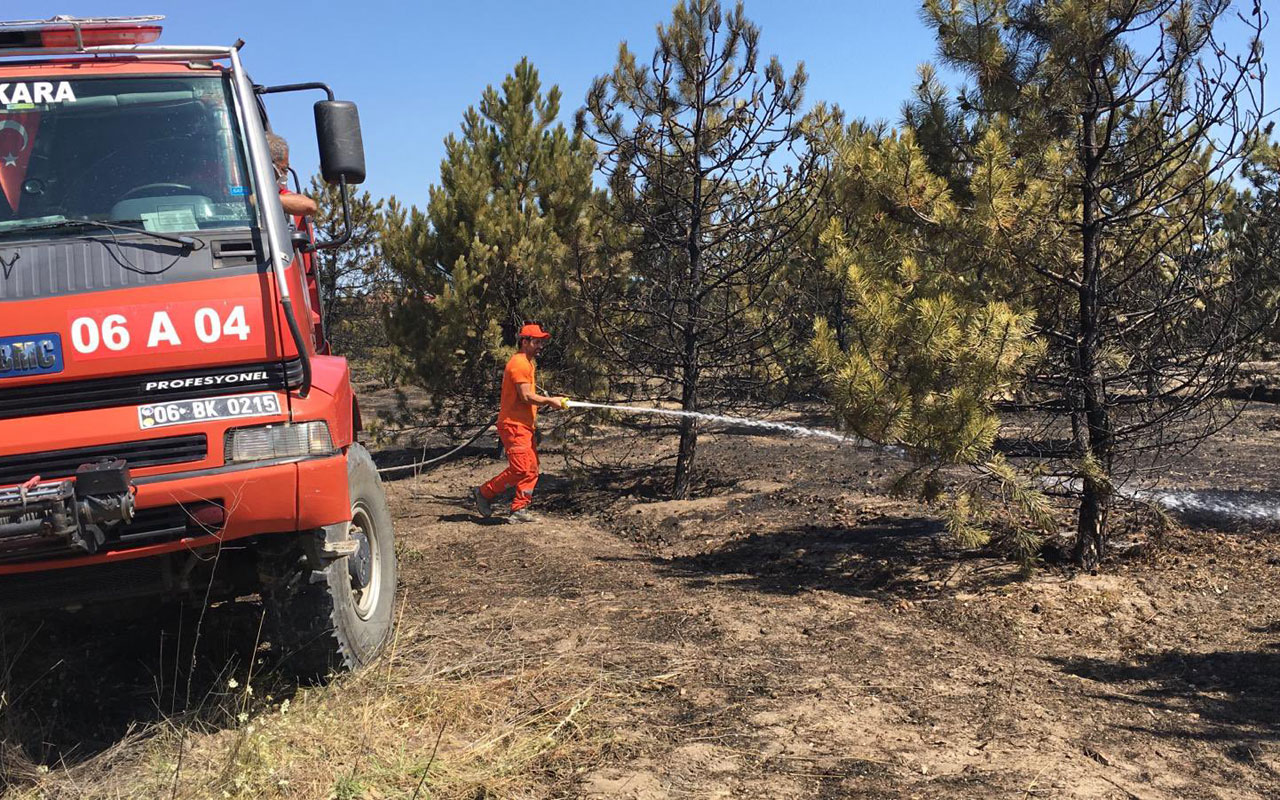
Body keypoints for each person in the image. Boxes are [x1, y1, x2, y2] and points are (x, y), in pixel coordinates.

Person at [473, 323, 570, 523]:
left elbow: (526, 398)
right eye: (536, 342)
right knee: (520, 468)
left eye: (542, 342)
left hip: (524, 425)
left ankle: (519, 509)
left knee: (532, 468)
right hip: (513, 425)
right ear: (524, 341)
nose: (540, 346)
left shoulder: (528, 363)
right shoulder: (519, 364)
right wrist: (550, 401)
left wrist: (547, 402)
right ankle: (484, 493)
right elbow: (526, 396)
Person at [266, 132, 318, 217]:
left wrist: (261, 199)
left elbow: (310, 206)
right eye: (284, 169)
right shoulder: (239, 186)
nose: (285, 176)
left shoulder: (278, 193)